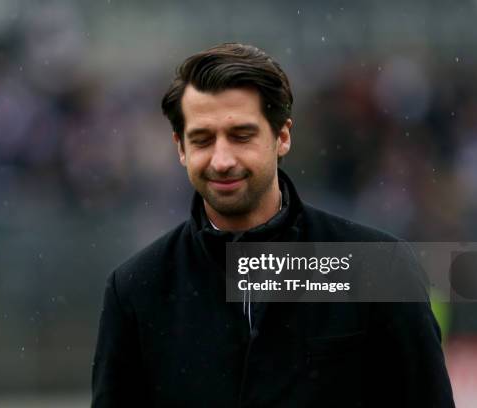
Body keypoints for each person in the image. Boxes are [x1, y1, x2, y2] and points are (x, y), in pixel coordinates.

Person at [91, 43, 455, 407]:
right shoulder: (137, 290)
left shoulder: (378, 267)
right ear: (180, 148)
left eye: (241, 136)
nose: (221, 160)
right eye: (202, 139)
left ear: (282, 136)